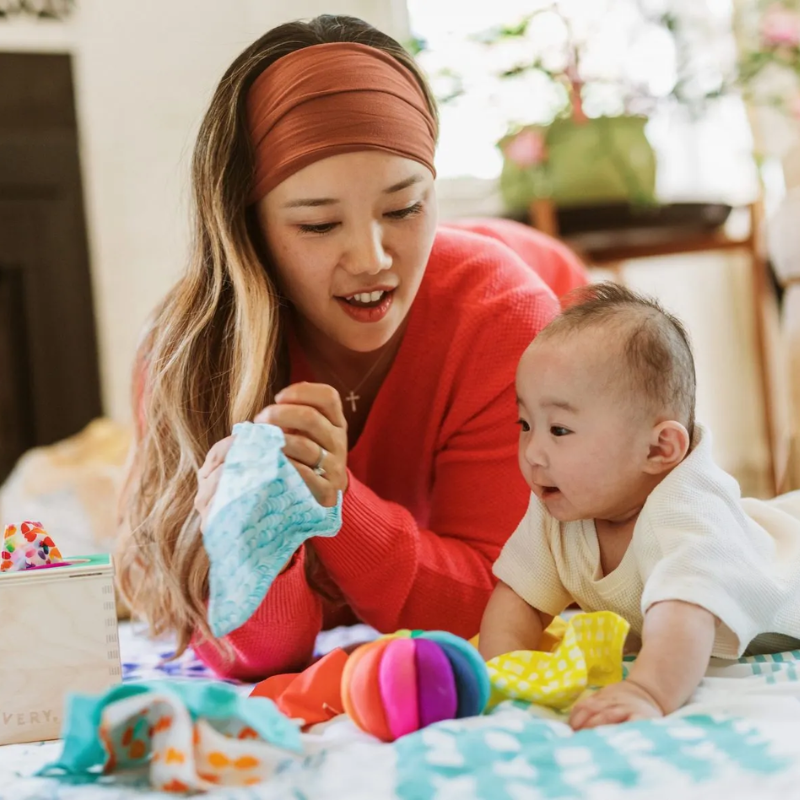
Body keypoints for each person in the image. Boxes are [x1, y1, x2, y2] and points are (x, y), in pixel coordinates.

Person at [116, 14, 588, 680]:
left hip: (556, 294)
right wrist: (254, 546)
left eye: (404, 209)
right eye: (318, 224)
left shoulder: (508, 316)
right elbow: (253, 658)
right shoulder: (183, 357)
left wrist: (338, 506)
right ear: (249, 228)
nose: (371, 259)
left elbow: (502, 613)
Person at [479, 281, 800, 730]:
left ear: (658, 449)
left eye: (559, 430)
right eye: (525, 424)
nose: (532, 452)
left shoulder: (688, 513)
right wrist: (501, 673)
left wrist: (646, 690)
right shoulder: (561, 508)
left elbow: (685, 613)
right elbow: (519, 598)